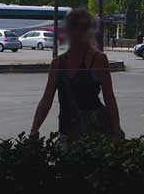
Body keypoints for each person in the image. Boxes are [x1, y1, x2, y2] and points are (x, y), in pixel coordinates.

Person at [30, 7, 122, 144]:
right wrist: (34, 131)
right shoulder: (58, 63)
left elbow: (109, 98)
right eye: (73, 26)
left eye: (83, 27)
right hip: (67, 132)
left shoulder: (98, 59)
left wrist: (116, 131)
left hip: (94, 134)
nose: (78, 32)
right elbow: (46, 100)